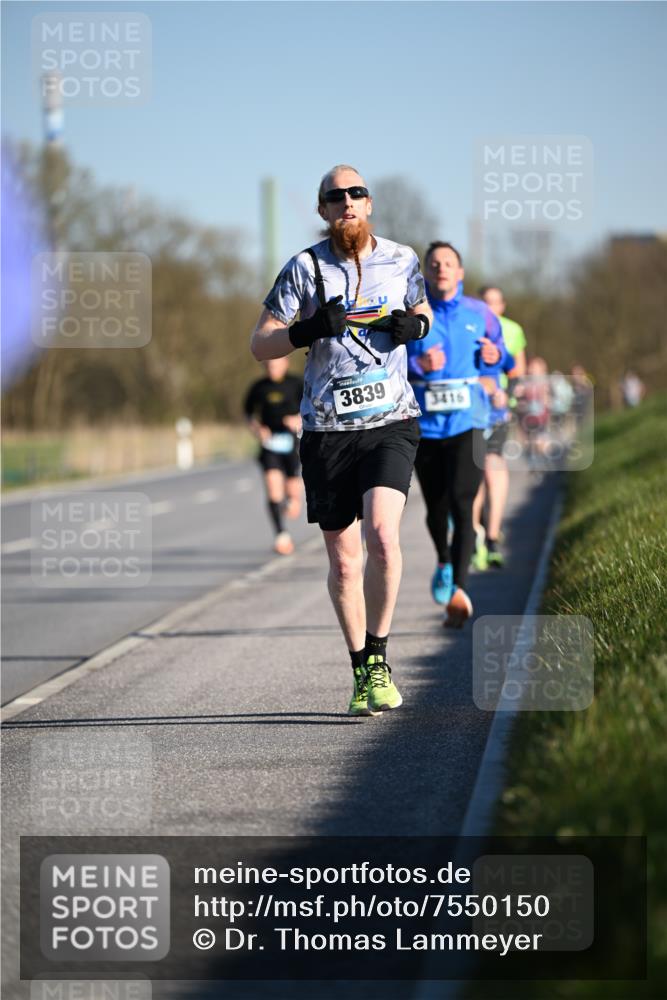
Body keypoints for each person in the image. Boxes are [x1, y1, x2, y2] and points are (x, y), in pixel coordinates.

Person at [251, 164, 432, 716]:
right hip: (327, 431)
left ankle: (379, 656)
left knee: (382, 534)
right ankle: (360, 670)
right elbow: (261, 345)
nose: (347, 201)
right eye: (336, 196)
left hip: (390, 422)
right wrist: (305, 331)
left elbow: (422, 310)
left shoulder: (402, 259)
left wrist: (415, 328)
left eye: (356, 193)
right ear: (323, 210)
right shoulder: (304, 268)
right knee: (346, 561)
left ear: (369, 203)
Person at [406, 243, 506, 627]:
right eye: (434, 265)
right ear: (426, 274)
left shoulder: (480, 313)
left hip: (469, 422)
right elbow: (393, 362)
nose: (442, 269)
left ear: (460, 272)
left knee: (464, 503)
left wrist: (496, 359)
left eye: (449, 264)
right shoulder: (414, 314)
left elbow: (501, 357)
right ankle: (445, 561)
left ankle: (461, 591)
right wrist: (419, 361)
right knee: (437, 508)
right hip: (426, 426)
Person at [471, 285, 528, 569]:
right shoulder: (470, 324)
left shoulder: (513, 330)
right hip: (471, 406)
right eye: (485, 302)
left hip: (497, 407)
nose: (490, 307)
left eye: (495, 302)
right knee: (474, 472)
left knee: (493, 468)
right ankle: (476, 532)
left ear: (503, 305)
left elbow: (517, 370)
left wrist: (510, 396)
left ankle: (491, 535)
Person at [244, 357, 304, 555]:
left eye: (276, 364)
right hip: (269, 443)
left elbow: (312, 407)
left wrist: (298, 419)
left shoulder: (296, 383)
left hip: (292, 442)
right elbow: (248, 413)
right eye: (268, 365)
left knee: (292, 493)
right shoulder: (259, 387)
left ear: (286, 363)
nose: (272, 368)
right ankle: (281, 535)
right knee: (272, 488)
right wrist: (257, 429)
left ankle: (293, 498)